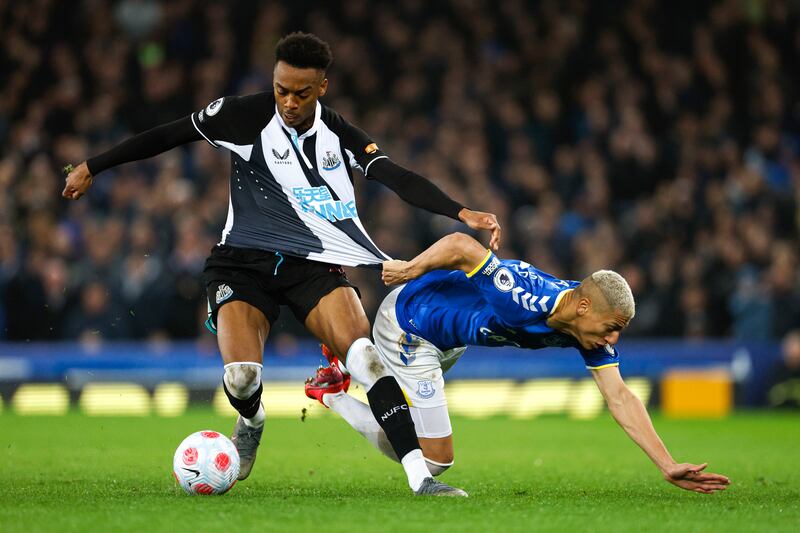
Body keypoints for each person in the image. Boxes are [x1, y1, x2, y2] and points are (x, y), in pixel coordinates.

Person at [63, 32, 501, 497]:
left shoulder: (340, 135)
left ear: (322, 88)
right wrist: (95, 165)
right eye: (281, 90)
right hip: (241, 264)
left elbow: (397, 176)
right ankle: (251, 419)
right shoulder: (242, 115)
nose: (289, 102)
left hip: (310, 265)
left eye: (301, 93)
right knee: (242, 377)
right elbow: (170, 134)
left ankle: (420, 479)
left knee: (367, 358)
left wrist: (461, 212)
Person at [305, 232, 730, 494]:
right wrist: (409, 269)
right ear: (583, 306)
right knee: (435, 459)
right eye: (612, 326)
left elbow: (619, 395)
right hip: (411, 324)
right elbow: (458, 245)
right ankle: (336, 396)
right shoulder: (524, 296)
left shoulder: (583, 328)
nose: (613, 338)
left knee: (412, 427)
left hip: (449, 340)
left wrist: (667, 464)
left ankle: (342, 374)